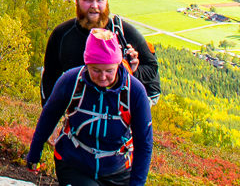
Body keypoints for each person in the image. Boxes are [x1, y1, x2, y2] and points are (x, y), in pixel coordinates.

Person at [26, 28, 153, 186]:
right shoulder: (71, 81)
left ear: (118, 64)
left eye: (109, 70)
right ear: (87, 64)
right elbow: (49, 117)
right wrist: (34, 155)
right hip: (74, 165)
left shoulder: (135, 92)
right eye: (96, 70)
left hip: (118, 170)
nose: (103, 77)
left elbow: (144, 143)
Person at [41, 0, 159, 101]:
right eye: (88, 0)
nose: (94, 6)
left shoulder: (123, 32)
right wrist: (51, 114)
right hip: (78, 111)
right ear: (76, 0)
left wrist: (133, 71)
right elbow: (49, 79)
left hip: (118, 112)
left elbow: (151, 68)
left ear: (107, 1)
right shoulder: (62, 34)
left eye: (100, 0)